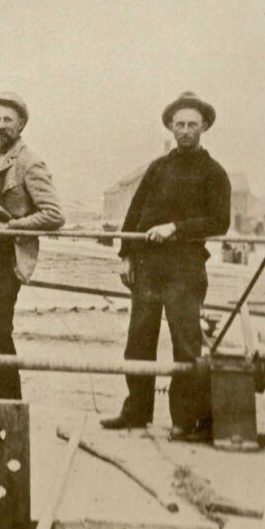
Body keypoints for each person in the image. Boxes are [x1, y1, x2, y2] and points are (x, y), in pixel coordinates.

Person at [101, 91, 231, 442]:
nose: (186, 130)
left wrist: (176, 229)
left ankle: (186, 421)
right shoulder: (158, 168)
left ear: (204, 126)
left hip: (185, 271)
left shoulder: (214, 173)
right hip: (147, 267)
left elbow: (220, 222)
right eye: (179, 125)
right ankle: (137, 412)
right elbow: (136, 213)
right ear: (171, 128)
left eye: (192, 124)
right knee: (138, 342)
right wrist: (127, 253)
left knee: (186, 346)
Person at [0, 92, 65, 417]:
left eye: (8, 120)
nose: (1, 125)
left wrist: (12, 226)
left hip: (4, 257)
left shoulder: (29, 162)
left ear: (20, 124)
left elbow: (54, 214)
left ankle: (10, 404)